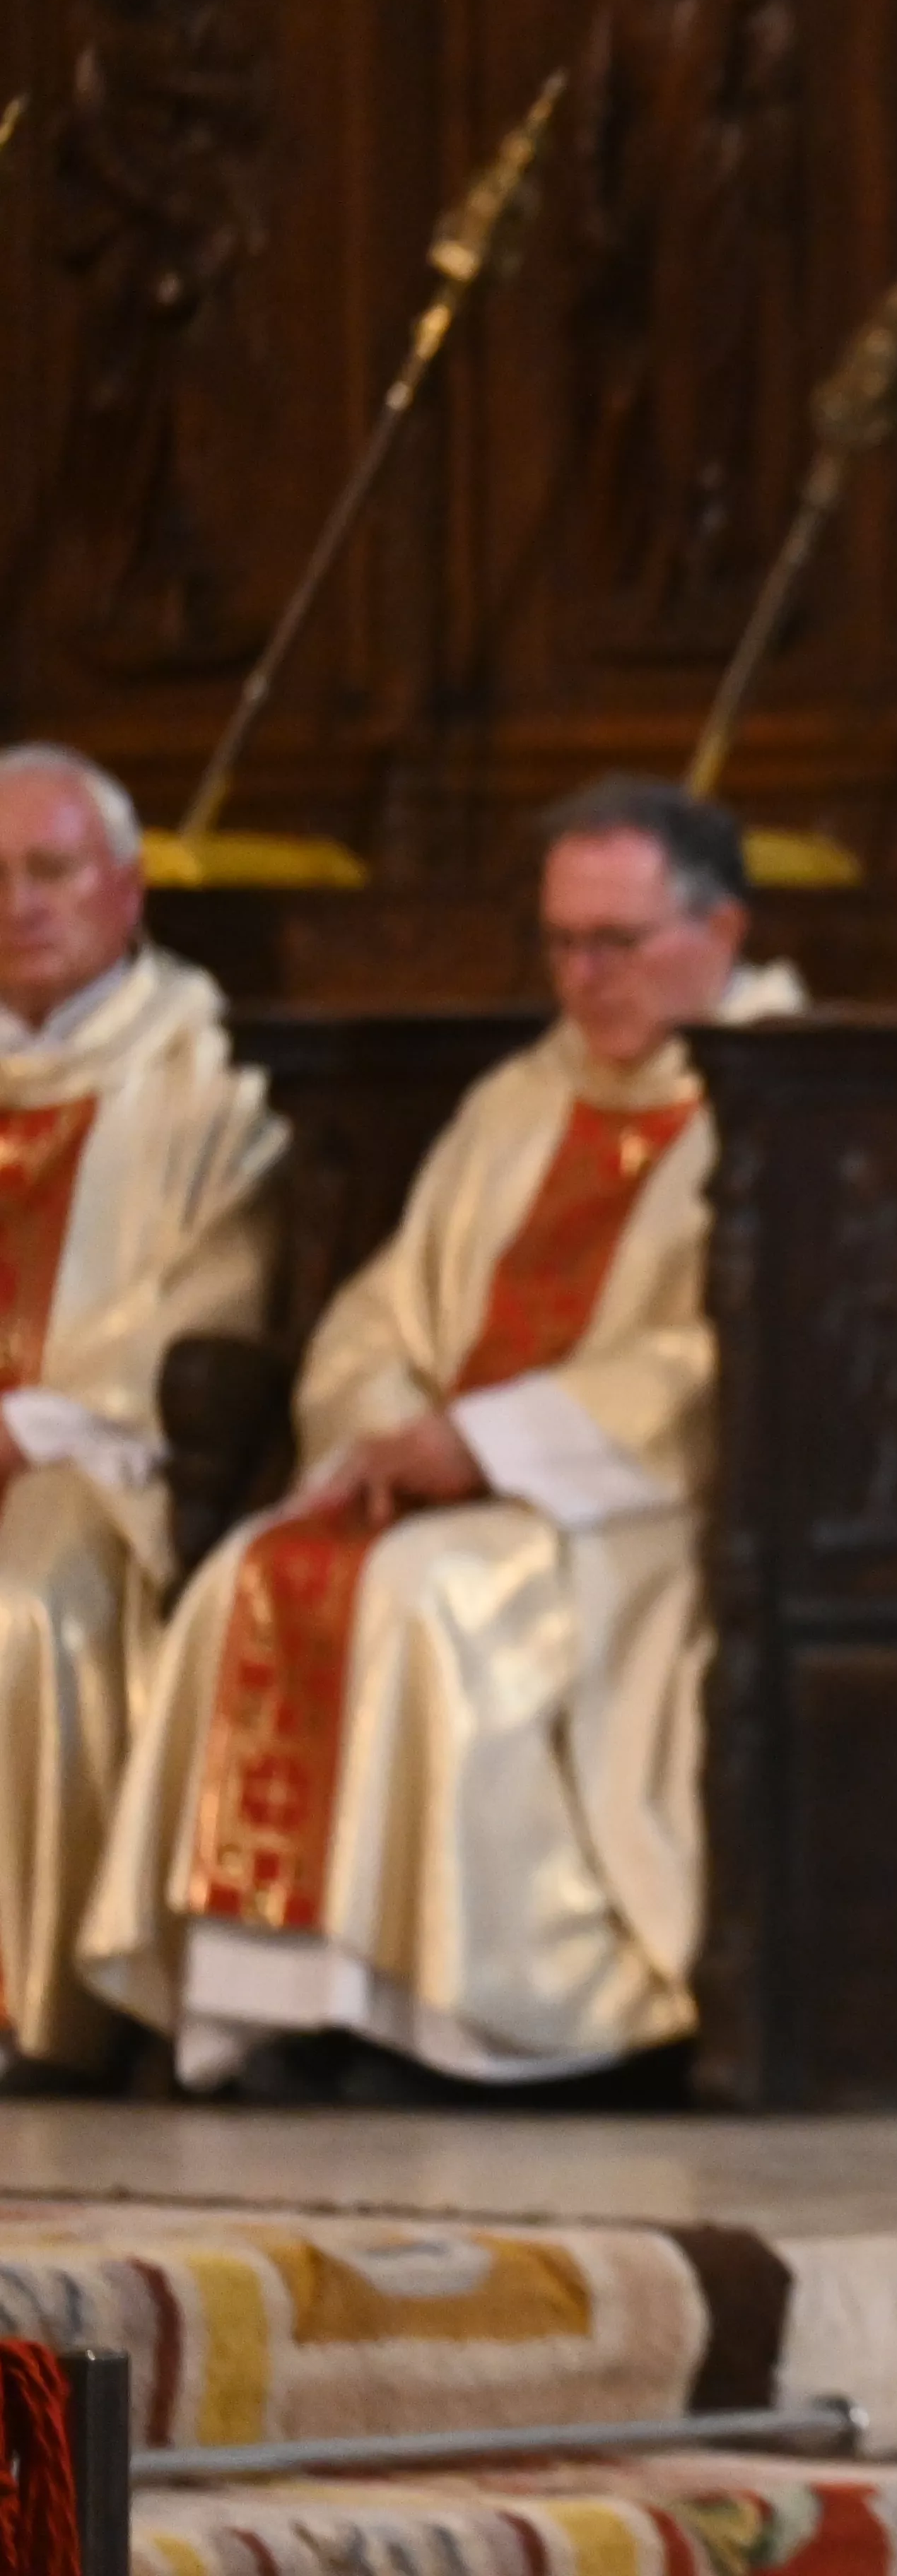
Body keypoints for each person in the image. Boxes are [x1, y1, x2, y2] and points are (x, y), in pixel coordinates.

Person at [84, 778, 804, 2092]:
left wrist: (488, 1447)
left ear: (723, 929)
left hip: (630, 1505)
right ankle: (279, 2007)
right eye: (562, 943)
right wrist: (383, 1441)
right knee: (258, 1568)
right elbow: (383, 1311)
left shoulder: (786, 1098)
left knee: (433, 1600)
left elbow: (716, 1365)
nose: (583, 978)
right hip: (449, 1479)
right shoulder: (522, 1098)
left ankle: (464, 2018)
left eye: (617, 943)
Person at [0, 747, 286, 2081]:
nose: (19, 903)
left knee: (24, 1603)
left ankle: (33, 2008)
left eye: (49, 870)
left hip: (92, 1454)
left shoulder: (206, 1067)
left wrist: (39, 1418)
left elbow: (210, 1285)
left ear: (128, 886)